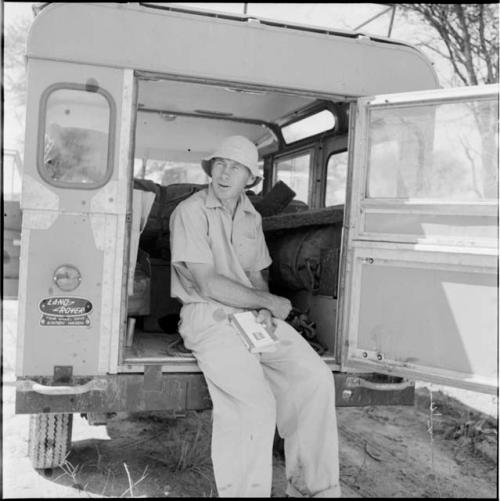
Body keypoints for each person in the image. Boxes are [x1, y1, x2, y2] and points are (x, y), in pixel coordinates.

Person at [169, 135, 340, 498]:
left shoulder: (252, 216)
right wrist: (270, 302)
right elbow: (208, 282)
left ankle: (315, 490)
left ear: (250, 177)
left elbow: (258, 277)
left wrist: (264, 307)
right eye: (220, 164)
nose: (225, 172)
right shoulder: (190, 211)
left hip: (252, 316)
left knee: (315, 379)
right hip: (207, 314)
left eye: (235, 166)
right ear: (210, 169)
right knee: (254, 405)